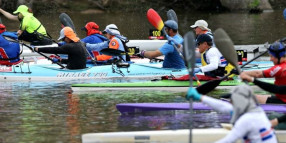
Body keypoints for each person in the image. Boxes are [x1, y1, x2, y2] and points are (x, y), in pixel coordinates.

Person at [186, 85, 277, 143]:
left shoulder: (246, 119)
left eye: (233, 99)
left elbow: (229, 140)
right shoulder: (257, 110)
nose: (231, 101)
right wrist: (200, 97)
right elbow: (223, 106)